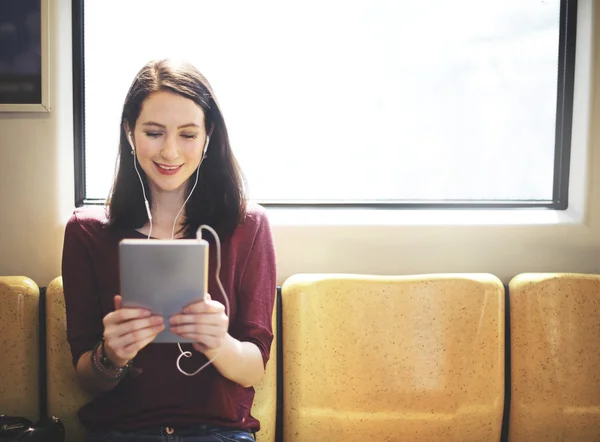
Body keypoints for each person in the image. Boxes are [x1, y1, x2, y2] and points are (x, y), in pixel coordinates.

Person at [61, 59, 277, 442]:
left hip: (218, 431)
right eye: (154, 132)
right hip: (122, 431)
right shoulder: (87, 232)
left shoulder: (248, 226)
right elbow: (87, 378)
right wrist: (111, 356)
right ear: (129, 132)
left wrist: (218, 343)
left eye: (188, 134)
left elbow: (254, 366)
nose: (171, 152)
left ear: (209, 135)